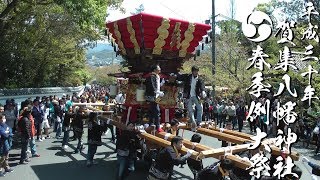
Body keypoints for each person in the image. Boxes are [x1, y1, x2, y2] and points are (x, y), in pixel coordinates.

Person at [175, 66, 206, 131]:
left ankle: (199, 122)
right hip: (188, 96)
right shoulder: (187, 76)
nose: (196, 72)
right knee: (190, 110)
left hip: (196, 96)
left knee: (200, 107)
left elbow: (202, 86)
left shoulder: (199, 79)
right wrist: (175, 72)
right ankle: (193, 121)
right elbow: (179, 77)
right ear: (192, 71)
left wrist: (203, 91)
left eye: (197, 71)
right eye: (195, 71)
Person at [145, 64, 165, 133]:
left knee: (152, 110)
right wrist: (159, 92)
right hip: (153, 96)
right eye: (158, 68)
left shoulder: (157, 76)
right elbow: (153, 87)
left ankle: (151, 123)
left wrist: (162, 83)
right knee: (157, 111)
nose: (160, 69)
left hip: (157, 96)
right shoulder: (152, 76)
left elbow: (157, 86)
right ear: (154, 69)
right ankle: (157, 126)